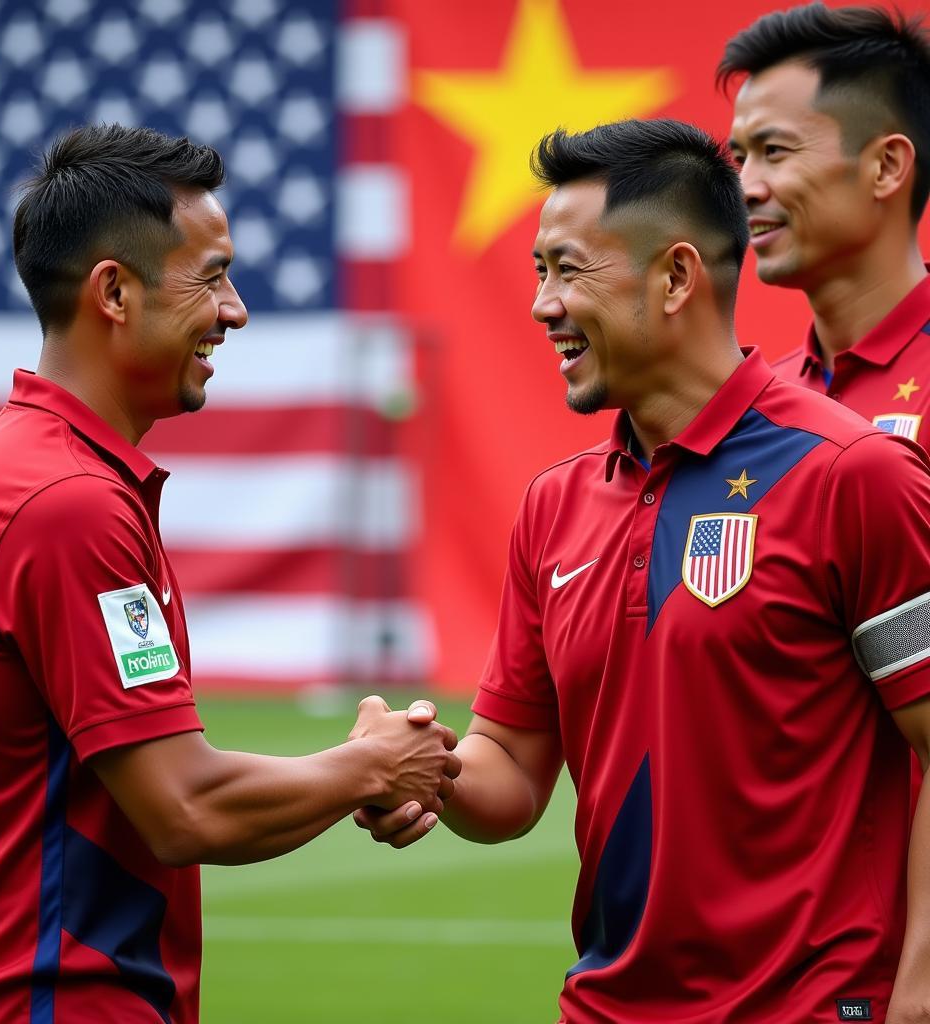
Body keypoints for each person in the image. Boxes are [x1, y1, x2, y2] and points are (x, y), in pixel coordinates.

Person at [357, 119, 930, 1022]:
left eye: (569, 269)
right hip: (607, 1006)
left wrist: (921, 995)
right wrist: (423, 769)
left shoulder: (852, 475)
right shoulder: (555, 505)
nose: (544, 303)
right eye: (538, 271)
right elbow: (509, 766)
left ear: (674, 278)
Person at [0, 123, 460, 1023]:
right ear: (114, 293)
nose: (235, 310)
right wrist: (368, 768)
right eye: (210, 277)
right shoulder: (65, 501)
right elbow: (185, 808)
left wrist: (365, 769)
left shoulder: (46, 473)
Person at [719, 3, 930, 440]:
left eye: (774, 150)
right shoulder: (754, 407)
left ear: (886, 166)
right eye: (740, 159)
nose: (746, 187)